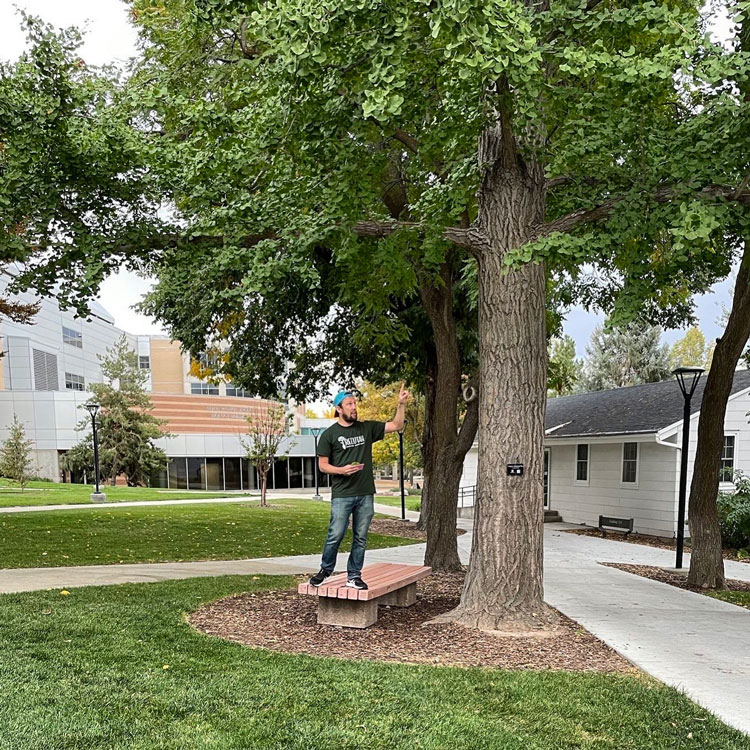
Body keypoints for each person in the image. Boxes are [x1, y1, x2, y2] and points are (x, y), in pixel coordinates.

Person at [309, 385, 410, 590]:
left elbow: (397, 425)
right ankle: (325, 570)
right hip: (342, 495)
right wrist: (342, 470)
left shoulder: (366, 428)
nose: (354, 407)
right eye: (349, 404)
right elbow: (322, 465)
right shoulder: (329, 435)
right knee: (335, 534)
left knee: (360, 537)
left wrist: (401, 404)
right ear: (339, 409)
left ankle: (353, 576)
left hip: (365, 494)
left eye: (355, 403)